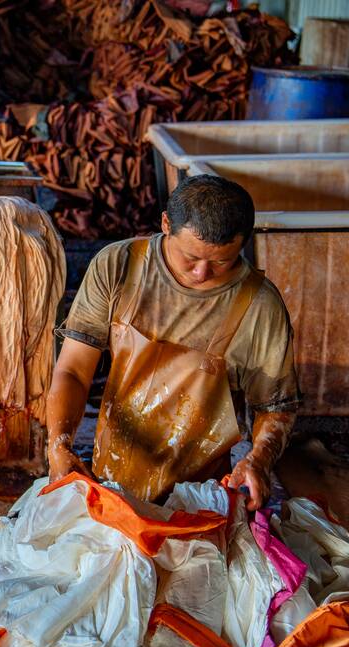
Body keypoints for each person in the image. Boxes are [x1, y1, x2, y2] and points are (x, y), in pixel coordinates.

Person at [46, 175, 300, 509]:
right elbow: (74, 370)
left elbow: (275, 407)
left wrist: (258, 461)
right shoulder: (119, 265)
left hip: (202, 494)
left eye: (221, 261)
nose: (201, 273)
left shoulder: (260, 304)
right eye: (190, 258)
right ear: (166, 224)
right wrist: (59, 445)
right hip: (109, 478)